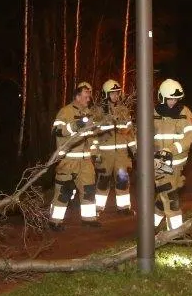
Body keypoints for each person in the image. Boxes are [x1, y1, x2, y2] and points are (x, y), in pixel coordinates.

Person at [49, 81, 101, 230]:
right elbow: (56, 131)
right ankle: (55, 222)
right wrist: (74, 126)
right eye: (86, 95)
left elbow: (92, 137)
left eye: (89, 96)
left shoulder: (89, 114)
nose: (89, 98)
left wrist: (95, 153)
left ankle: (89, 219)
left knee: (89, 190)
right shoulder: (65, 112)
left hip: (86, 161)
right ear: (77, 96)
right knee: (64, 192)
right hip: (68, 160)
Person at [148, 78, 192, 230]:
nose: (173, 102)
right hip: (159, 163)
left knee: (163, 197)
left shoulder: (185, 113)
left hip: (178, 164)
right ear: (162, 97)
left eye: (176, 99)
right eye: (170, 98)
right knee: (171, 198)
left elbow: (190, 136)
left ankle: (150, 226)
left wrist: (172, 149)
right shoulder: (153, 113)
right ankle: (176, 234)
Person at [92, 79, 135, 215]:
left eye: (117, 93)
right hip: (105, 155)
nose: (116, 95)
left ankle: (123, 208)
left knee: (123, 180)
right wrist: (95, 153)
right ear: (106, 94)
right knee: (103, 181)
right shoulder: (98, 111)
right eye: (113, 93)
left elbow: (130, 132)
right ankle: (98, 208)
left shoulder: (123, 110)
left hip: (121, 154)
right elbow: (93, 134)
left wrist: (135, 150)